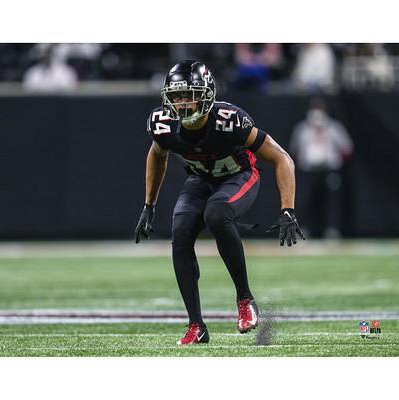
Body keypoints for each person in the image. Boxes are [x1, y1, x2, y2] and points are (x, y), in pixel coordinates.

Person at [135, 60, 305, 345]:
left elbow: (281, 157)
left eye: (189, 94)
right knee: (181, 230)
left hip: (240, 175)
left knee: (217, 213)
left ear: (206, 94)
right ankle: (196, 326)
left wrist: (287, 209)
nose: (182, 102)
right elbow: (157, 154)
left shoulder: (229, 120)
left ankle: (245, 299)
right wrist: (148, 205)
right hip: (201, 180)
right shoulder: (163, 124)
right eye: (176, 95)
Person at [289, 98, 353, 238]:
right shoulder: (302, 129)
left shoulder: (334, 128)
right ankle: (303, 229)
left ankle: (332, 230)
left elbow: (347, 149)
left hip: (329, 169)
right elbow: (294, 150)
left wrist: (335, 160)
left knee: (332, 202)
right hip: (308, 170)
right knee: (305, 201)